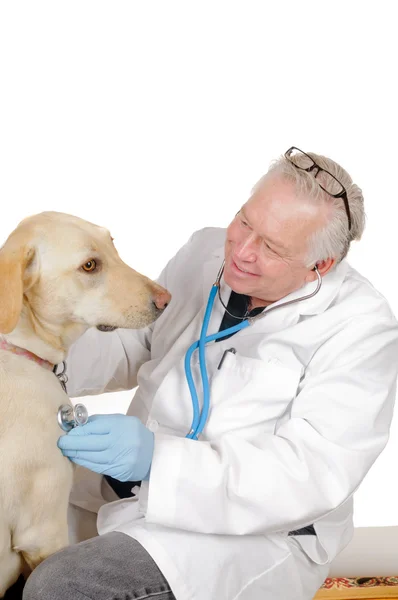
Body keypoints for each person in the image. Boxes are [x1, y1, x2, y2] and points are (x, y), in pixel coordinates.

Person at [23, 147, 398, 600]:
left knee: (63, 586)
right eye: (245, 222)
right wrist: (36, 351)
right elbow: (136, 344)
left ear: (320, 265)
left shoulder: (361, 327)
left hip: (253, 537)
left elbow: (308, 474)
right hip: (126, 497)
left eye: (272, 247)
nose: (241, 251)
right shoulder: (205, 252)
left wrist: (155, 462)